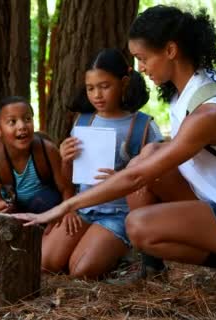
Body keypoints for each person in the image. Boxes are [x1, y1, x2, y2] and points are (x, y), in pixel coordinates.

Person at [16, 5, 216, 289]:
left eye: (143, 58)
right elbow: (149, 165)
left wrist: (65, 205)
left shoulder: (208, 112)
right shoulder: (189, 91)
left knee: (138, 225)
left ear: (170, 50)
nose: (140, 69)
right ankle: (152, 269)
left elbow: (137, 177)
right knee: (148, 155)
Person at [40, 48, 163, 278]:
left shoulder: (143, 126)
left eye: (105, 86)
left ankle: (127, 252)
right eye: (90, 88)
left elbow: (156, 181)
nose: (97, 95)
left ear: (124, 83)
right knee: (45, 263)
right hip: (83, 208)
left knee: (81, 271)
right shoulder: (83, 122)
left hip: (119, 214)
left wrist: (120, 178)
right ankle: (95, 247)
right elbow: (70, 181)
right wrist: (65, 160)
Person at [0, 96, 73, 214]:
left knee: (44, 202)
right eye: (12, 122)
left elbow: (65, 188)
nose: (22, 126)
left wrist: (69, 212)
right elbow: (4, 198)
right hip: (16, 204)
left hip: (42, 202)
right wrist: (3, 206)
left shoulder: (48, 150)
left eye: (27, 119)